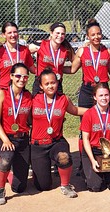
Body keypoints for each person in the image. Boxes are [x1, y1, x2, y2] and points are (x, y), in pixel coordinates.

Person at [30, 68, 87, 198]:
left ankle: (65, 185)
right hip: (38, 145)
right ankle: (37, 168)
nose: (51, 86)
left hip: (56, 142)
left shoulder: (63, 99)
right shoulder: (33, 99)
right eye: (47, 84)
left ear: (57, 82)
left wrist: (97, 109)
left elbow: (75, 110)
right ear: (41, 86)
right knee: (43, 186)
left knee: (64, 157)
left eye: (53, 82)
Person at [70, 19, 110, 165]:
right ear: (88, 36)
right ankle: (84, 162)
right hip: (87, 90)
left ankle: (106, 155)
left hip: (103, 89)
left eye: (98, 34)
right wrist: (55, 71)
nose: (96, 37)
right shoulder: (82, 51)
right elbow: (72, 69)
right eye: (93, 34)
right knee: (85, 126)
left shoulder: (107, 51)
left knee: (104, 122)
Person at [0, 63, 32, 205]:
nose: (22, 79)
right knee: (6, 158)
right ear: (11, 76)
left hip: (22, 141)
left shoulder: (28, 96)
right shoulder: (1, 93)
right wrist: (5, 140)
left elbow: (30, 120)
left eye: (25, 76)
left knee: (19, 187)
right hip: (4, 138)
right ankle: (0, 189)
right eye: (18, 76)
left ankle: (6, 172)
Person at [80, 82, 110, 192]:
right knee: (95, 187)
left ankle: (105, 174)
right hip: (93, 151)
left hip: (108, 152)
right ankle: (86, 171)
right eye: (101, 95)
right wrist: (92, 160)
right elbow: (85, 139)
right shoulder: (88, 114)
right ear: (95, 97)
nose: (104, 98)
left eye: (106, 95)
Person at [29, 22, 75, 95]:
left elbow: (75, 64)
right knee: (38, 105)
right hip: (41, 83)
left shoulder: (66, 49)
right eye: (57, 33)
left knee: (57, 106)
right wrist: (32, 68)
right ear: (51, 33)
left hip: (56, 83)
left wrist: (60, 69)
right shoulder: (40, 45)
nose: (60, 36)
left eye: (62, 34)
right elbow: (24, 53)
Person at [0, 21, 36, 95]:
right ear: (3, 35)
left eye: (15, 32)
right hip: (3, 90)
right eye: (9, 33)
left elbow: (33, 70)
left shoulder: (24, 50)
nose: (13, 35)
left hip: (19, 90)